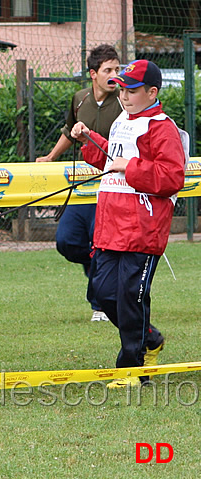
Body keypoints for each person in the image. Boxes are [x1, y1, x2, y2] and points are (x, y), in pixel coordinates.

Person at [71, 59, 186, 388]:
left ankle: (133, 369)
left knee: (130, 298)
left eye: (132, 90)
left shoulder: (162, 127)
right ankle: (149, 338)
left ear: (152, 92)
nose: (124, 96)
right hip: (110, 227)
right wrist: (88, 138)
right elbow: (112, 158)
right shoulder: (123, 120)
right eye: (121, 89)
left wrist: (130, 166)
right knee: (104, 294)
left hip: (142, 230)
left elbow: (171, 177)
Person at [37, 44, 123, 322]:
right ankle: (102, 269)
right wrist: (50, 157)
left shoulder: (125, 102)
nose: (114, 75)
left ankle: (100, 306)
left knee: (101, 244)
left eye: (117, 69)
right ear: (93, 73)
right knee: (67, 241)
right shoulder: (79, 98)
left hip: (112, 186)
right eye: (108, 70)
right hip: (82, 186)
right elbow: (68, 131)